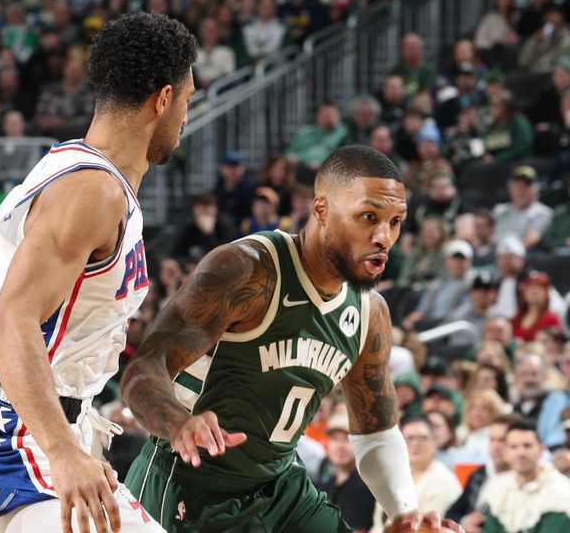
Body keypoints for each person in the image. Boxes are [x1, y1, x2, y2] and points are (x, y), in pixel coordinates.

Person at [0, 12, 199, 533]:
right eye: (188, 101)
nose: (187, 116)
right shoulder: (91, 191)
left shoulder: (63, 173)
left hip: (47, 426)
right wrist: (61, 450)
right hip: (13, 434)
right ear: (163, 99)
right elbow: (7, 319)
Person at [120, 145, 461, 532]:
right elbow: (143, 370)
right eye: (369, 217)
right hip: (191, 483)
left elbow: (376, 430)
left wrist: (404, 514)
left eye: (396, 222)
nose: (384, 237)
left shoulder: (370, 312)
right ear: (321, 210)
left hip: (282, 484)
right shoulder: (247, 270)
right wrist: (178, 423)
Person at [482, 418, 570, 532]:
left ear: (542, 449)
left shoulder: (560, 490)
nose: (521, 453)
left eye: (527, 446)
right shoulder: (499, 487)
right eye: (514, 447)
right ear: (506, 452)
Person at [446, 414, 512, 533]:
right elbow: (452, 514)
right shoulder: (480, 473)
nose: (496, 446)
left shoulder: (523, 480)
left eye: (502, 440)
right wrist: (465, 521)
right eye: (492, 439)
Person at [316, 411, 376, 532]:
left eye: (347, 439)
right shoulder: (327, 483)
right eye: (334, 439)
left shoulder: (363, 486)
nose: (339, 446)